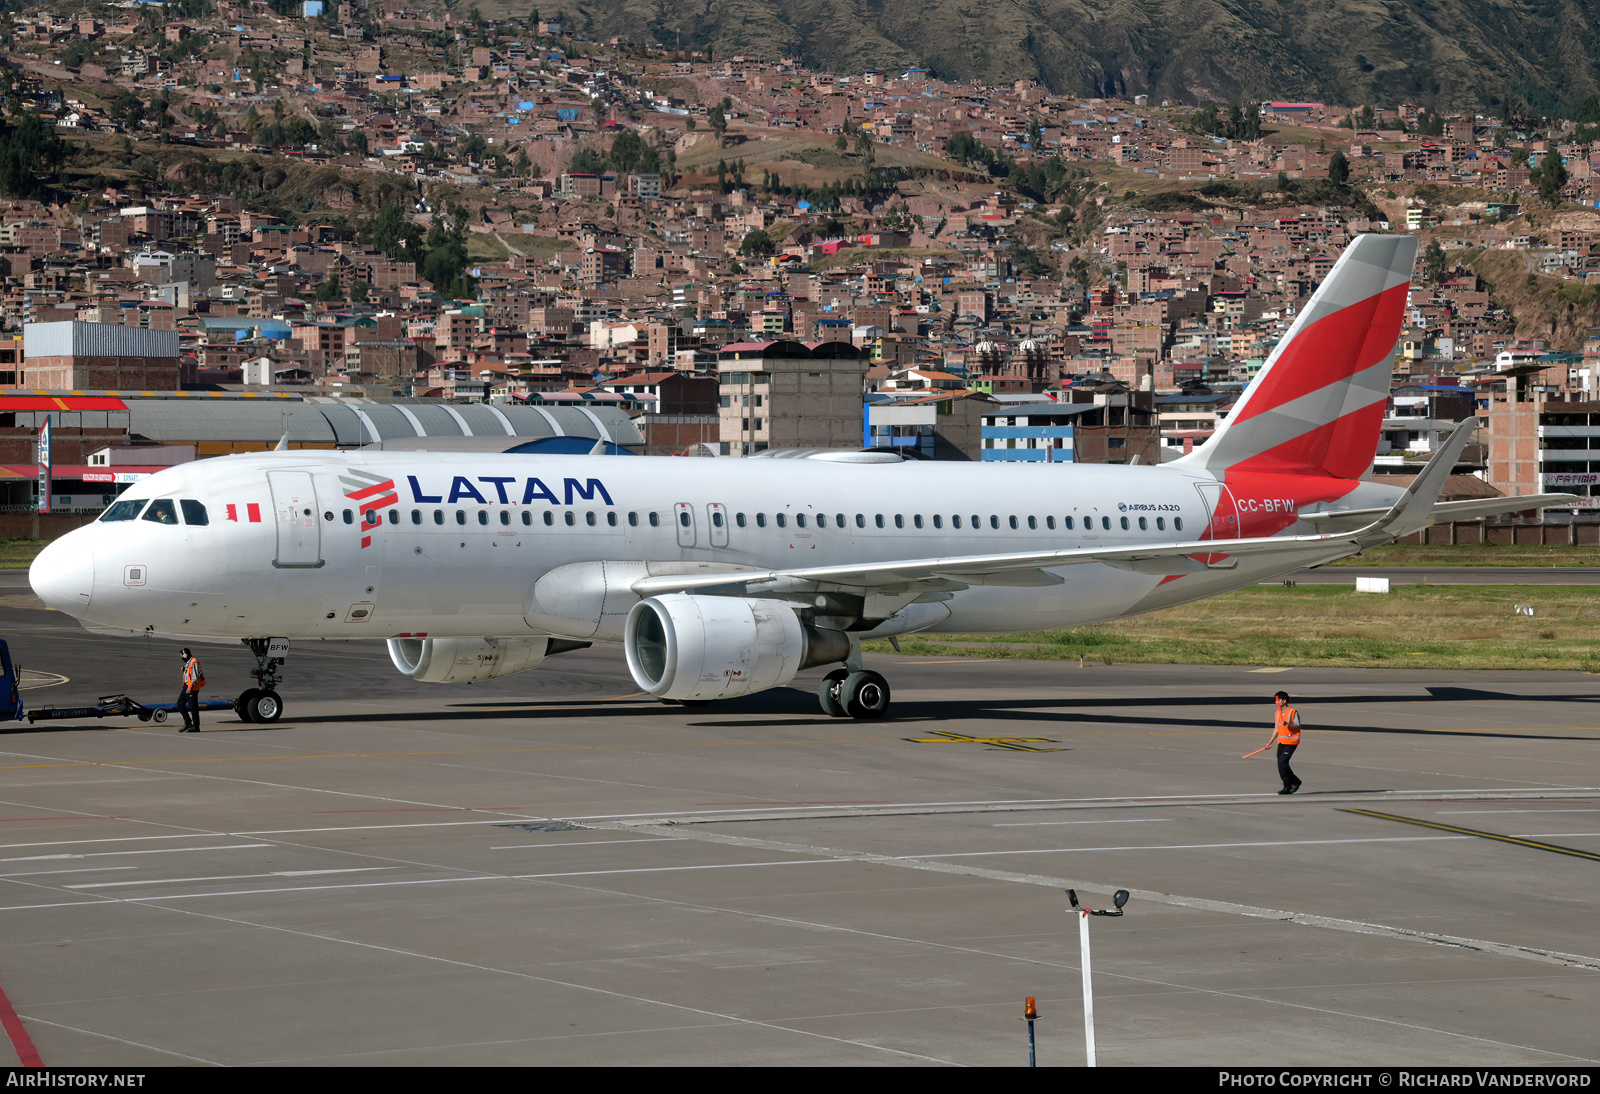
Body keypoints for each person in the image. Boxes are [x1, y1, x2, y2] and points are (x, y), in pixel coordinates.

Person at [1262, 690, 1301, 795]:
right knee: (1281, 765)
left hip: (1291, 742)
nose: (1276, 703)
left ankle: (1287, 786)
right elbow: (1277, 728)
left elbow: (1297, 726)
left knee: (1282, 763)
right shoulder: (1277, 713)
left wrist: (1288, 724)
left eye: (1277, 700)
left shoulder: (1293, 712)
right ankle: (1295, 781)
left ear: (1283, 701)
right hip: (1282, 742)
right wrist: (1270, 742)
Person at [177, 647, 204, 733]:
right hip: (187, 686)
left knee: (193, 708)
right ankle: (188, 722)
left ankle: (196, 727)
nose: (181, 658)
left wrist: (190, 687)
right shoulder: (189, 662)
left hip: (192, 688)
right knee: (180, 704)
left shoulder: (194, 662)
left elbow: (195, 677)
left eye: (182, 656)